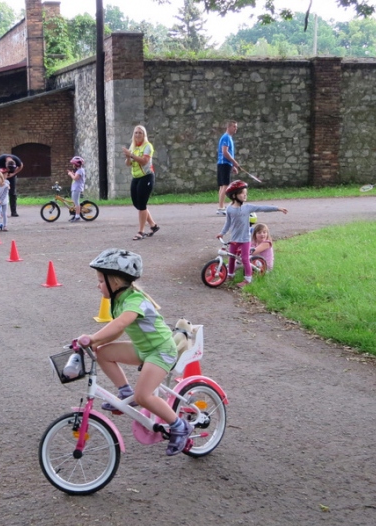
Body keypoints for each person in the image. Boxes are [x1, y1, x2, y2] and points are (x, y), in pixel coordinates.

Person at [75, 248, 194, 456]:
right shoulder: (117, 301)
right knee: (103, 353)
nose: (98, 285)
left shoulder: (134, 300)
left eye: (101, 281)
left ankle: (179, 426)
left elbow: (122, 322)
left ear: (115, 282)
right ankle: (124, 392)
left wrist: (93, 337)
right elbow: (117, 330)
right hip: (143, 349)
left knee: (144, 396)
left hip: (161, 351)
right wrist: (96, 343)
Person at [216, 180, 287, 288]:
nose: (245, 195)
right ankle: (230, 275)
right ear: (234, 195)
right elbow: (228, 223)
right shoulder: (229, 209)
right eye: (242, 193)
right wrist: (222, 233)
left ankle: (248, 279)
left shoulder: (247, 207)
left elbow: (262, 208)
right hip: (234, 239)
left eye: (246, 193)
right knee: (231, 258)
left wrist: (277, 208)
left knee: (245, 259)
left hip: (245, 240)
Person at [123, 125, 159, 240]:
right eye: (136, 133)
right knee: (137, 203)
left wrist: (131, 155)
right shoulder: (133, 146)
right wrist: (128, 157)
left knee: (142, 205)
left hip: (146, 177)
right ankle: (153, 225)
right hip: (136, 177)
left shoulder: (148, 146)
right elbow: (128, 164)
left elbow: (144, 161)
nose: (137, 135)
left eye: (140, 133)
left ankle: (141, 231)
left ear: (144, 135)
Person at [217, 121, 241, 214]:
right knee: (225, 186)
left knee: (223, 186)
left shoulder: (228, 137)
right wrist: (234, 162)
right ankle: (221, 207)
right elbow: (225, 152)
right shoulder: (226, 137)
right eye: (234, 126)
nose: (236, 128)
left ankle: (221, 206)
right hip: (224, 164)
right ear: (229, 127)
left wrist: (232, 166)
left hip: (225, 164)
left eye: (236, 126)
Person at [67, 156, 86, 221]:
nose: (73, 165)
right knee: (75, 202)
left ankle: (77, 216)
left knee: (76, 202)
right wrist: (73, 173)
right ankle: (75, 215)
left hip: (77, 188)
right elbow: (76, 177)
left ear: (76, 164)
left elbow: (75, 178)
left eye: (73, 164)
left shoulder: (80, 171)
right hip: (75, 188)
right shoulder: (79, 170)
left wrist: (70, 174)